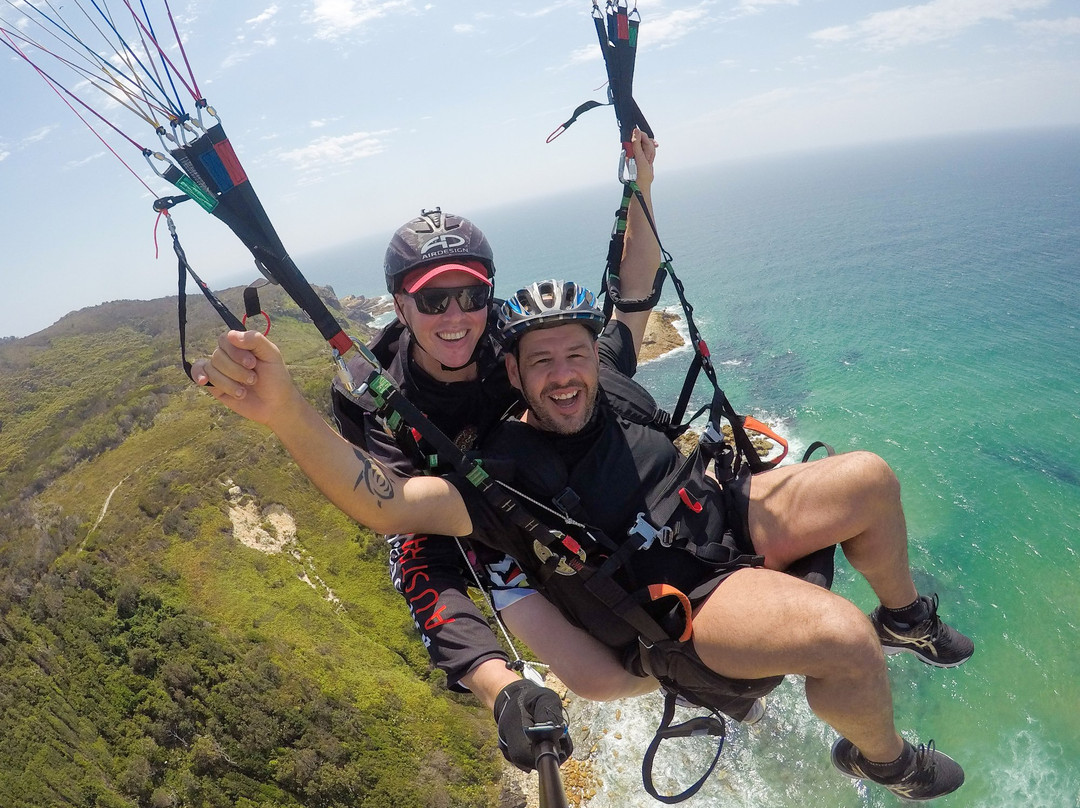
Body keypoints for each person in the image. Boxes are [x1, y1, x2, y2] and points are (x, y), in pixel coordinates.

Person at [194, 275, 973, 801]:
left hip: (721, 515)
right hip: (690, 592)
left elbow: (633, 286)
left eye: (574, 355)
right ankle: (884, 760)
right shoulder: (496, 474)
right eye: (543, 364)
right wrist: (285, 413)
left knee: (868, 478)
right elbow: (390, 503)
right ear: (516, 373)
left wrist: (640, 173)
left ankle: (906, 616)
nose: (565, 375)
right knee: (843, 640)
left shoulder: (611, 375)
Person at [325, 133, 663, 749]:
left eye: (471, 295)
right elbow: (414, 542)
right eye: (432, 300)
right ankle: (663, 678)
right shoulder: (380, 397)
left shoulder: (515, 342)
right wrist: (499, 687)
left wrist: (640, 185)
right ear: (400, 305)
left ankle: (688, 665)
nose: (455, 316)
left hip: (545, 492)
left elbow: (629, 314)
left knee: (623, 650)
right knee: (598, 678)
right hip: (464, 517)